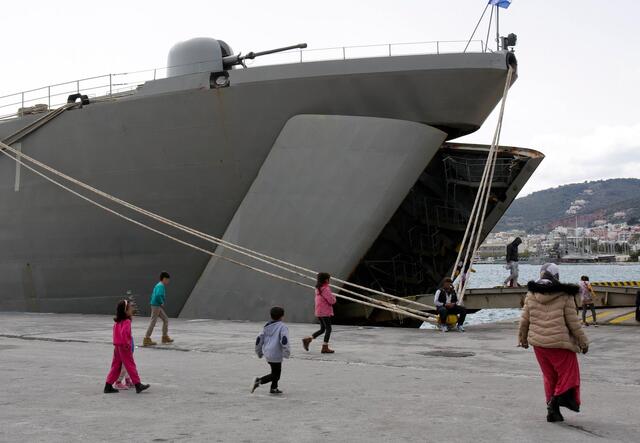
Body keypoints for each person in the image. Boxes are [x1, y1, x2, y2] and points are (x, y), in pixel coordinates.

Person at [518, 263, 589, 423]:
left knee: (549, 377)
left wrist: (522, 339)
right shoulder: (565, 294)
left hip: (539, 345)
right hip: (560, 344)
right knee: (569, 375)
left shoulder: (531, 293)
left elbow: (524, 320)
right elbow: (573, 323)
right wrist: (583, 342)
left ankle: (553, 412)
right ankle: (555, 402)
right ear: (556, 276)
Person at [104, 299, 150, 394]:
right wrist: (126, 344)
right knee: (130, 365)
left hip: (117, 346)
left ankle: (108, 385)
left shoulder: (117, 322)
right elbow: (124, 333)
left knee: (116, 366)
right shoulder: (127, 321)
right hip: (124, 347)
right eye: (130, 308)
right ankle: (138, 384)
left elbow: (116, 334)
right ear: (125, 311)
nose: (132, 309)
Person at [251, 306, 291, 395]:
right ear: (282, 316)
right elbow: (284, 340)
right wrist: (286, 352)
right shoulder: (282, 327)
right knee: (276, 375)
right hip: (276, 353)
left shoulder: (266, 326)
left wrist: (259, 352)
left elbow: (259, 340)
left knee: (275, 371)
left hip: (268, 353)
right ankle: (259, 381)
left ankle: (274, 388)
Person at [302, 272, 337, 354]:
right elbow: (331, 301)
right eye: (329, 279)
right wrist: (334, 298)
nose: (329, 280)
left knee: (322, 329)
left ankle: (308, 339)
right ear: (326, 280)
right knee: (328, 328)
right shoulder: (325, 288)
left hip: (319, 311)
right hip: (325, 312)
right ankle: (325, 347)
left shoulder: (318, 288)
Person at [143, 271, 173, 346]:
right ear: (164, 279)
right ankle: (146, 338)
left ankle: (164, 337)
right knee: (153, 321)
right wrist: (161, 302)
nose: (168, 281)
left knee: (165, 319)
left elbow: (155, 295)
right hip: (156, 305)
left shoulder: (159, 285)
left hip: (156, 305)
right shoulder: (161, 286)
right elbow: (158, 295)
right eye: (168, 279)